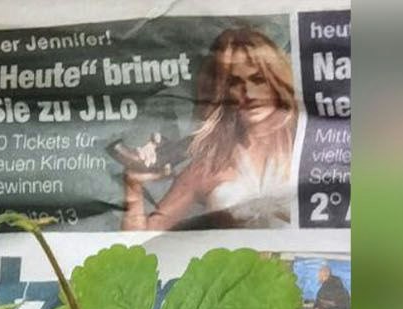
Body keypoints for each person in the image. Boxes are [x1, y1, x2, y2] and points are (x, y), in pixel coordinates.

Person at [121, 27, 298, 231]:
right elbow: (138, 244)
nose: (248, 93)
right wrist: (133, 189)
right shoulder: (206, 168)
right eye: (235, 83)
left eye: (258, 80)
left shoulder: (307, 143)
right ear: (223, 91)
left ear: (276, 80)